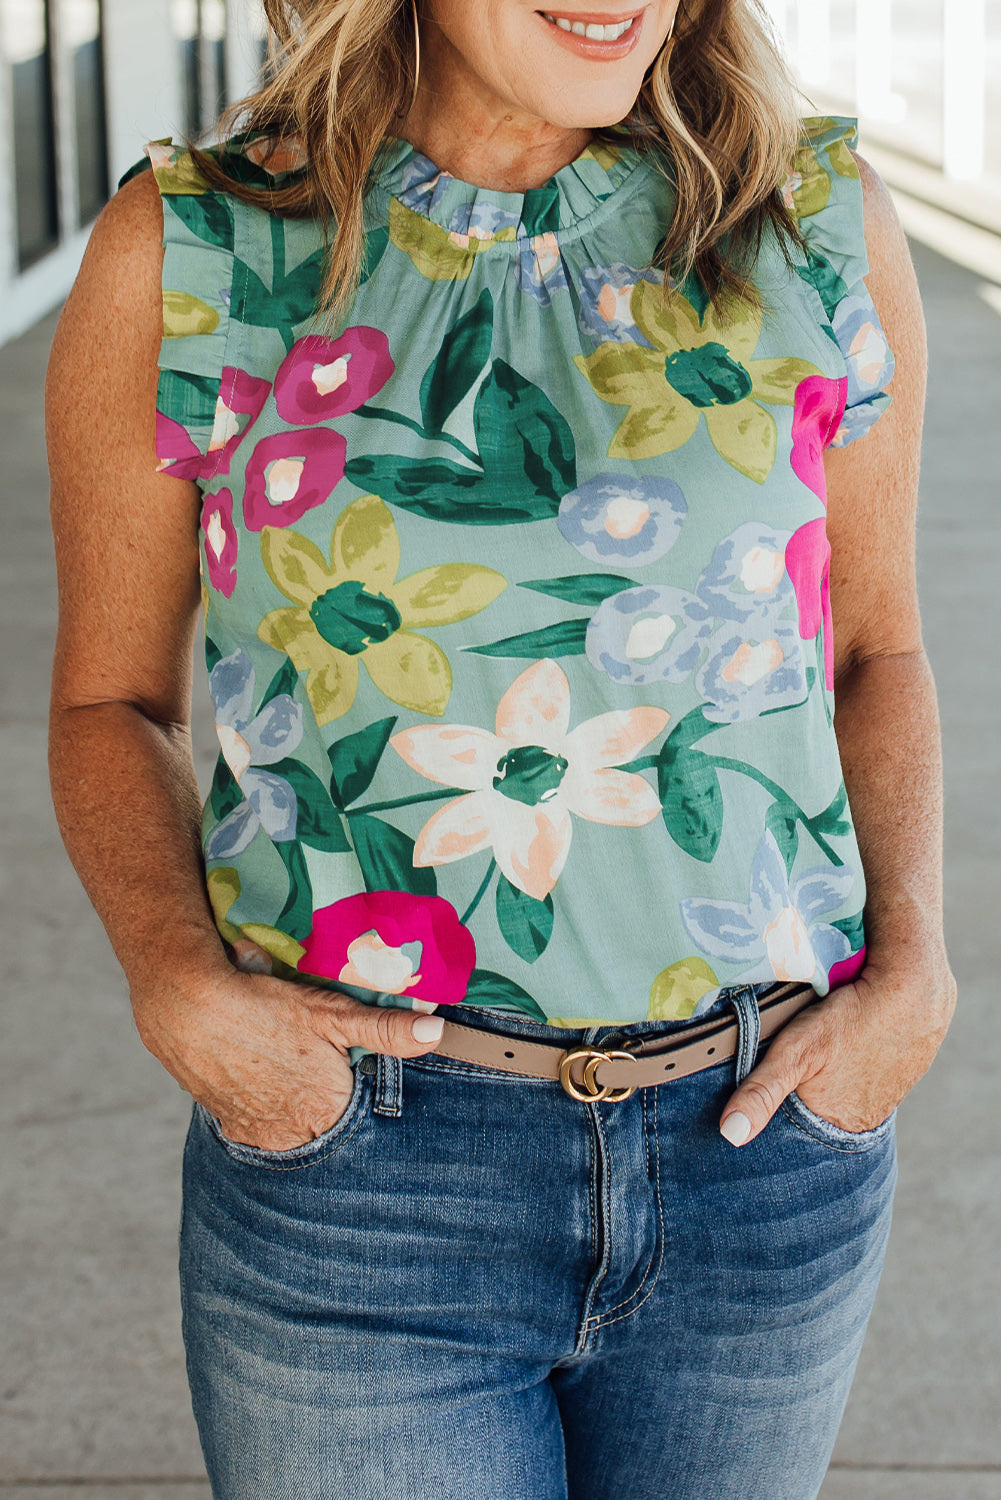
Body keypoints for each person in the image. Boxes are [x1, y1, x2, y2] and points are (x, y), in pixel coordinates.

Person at [46, 0, 957, 1495]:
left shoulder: (808, 223)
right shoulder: (197, 248)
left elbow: (874, 653)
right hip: (366, 1174)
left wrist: (912, 975)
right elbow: (107, 705)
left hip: (764, 1147)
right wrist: (180, 987)